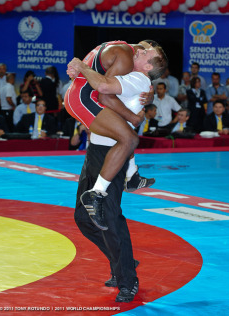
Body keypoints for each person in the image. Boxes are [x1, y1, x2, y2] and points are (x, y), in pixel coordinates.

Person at [74, 66, 161, 303]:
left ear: (150, 63)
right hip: (94, 151)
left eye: (143, 50)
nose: (136, 51)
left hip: (113, 152)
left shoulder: (137, 78)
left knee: (109, 217)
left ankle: (127, 279)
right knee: (83, 217)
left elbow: (102, 93)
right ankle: (123, 261)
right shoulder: (123, 74)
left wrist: (82, 66)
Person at [66, 40, 167, 230]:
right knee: (129, 138)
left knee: (127, 134)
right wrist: (80, 66)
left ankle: (131, 175)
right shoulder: (127, 60)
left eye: (146, 52)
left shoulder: (131, 65)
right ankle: (97, 193)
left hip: (91, 115)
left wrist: (149, 94)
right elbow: (104, 93)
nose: (141, 50)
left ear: (147, 65)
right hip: (90, 112)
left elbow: (107, 88)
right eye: (143, 48)